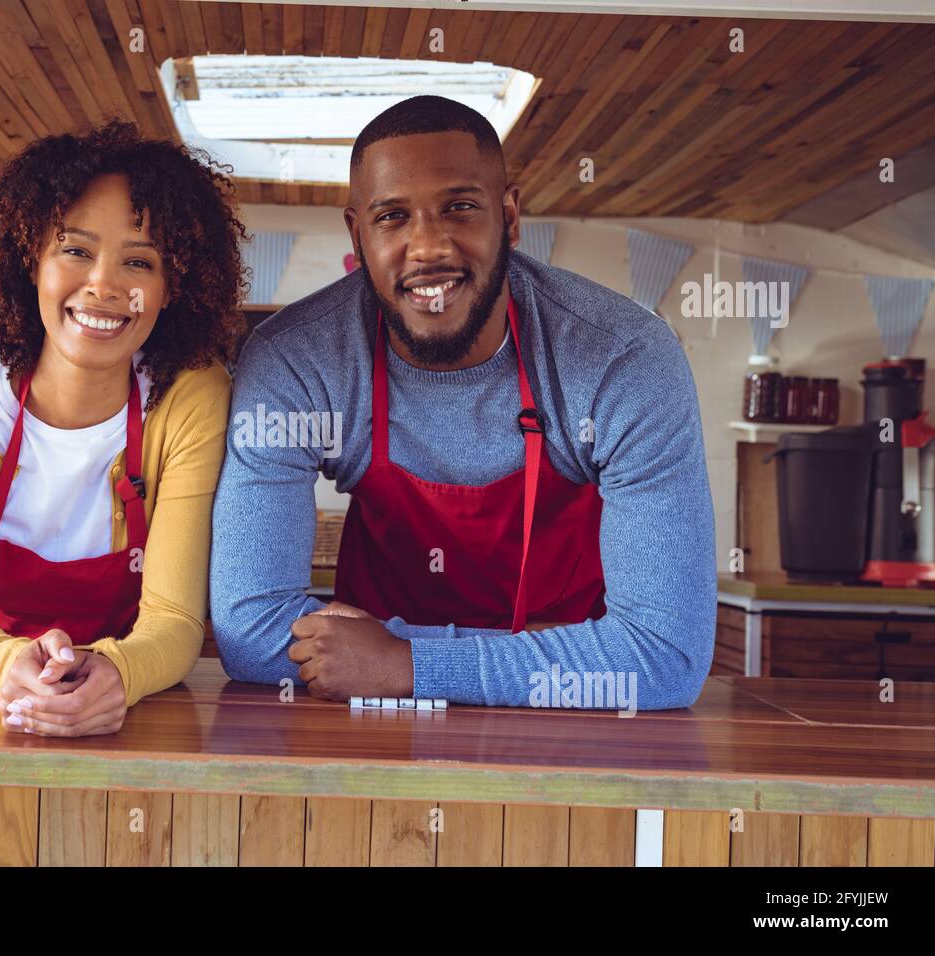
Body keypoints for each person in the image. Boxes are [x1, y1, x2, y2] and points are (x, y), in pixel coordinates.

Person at [211, 96, 716, 709]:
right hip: (392, 715)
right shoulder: (295, 359)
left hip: (568, 728)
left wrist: (408, 663)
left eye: (460, 208)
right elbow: (249, 630)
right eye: (392, 216)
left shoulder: (625, 358)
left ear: (509, 215)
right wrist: (555, 657)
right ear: (356, 233)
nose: (428, 247)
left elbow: (664, 658)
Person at [0, 122, 244, 736]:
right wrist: (8, 672)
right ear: (30, 259)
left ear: (172, 289)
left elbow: (175, 621)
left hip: (127, 714)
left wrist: (114, 673)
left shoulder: (191, 396)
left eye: (140, 261)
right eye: (75, 250)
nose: (105, 286)